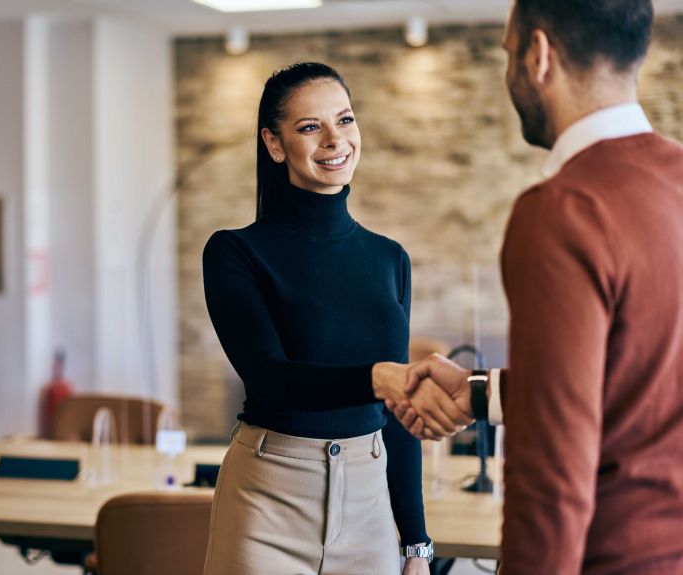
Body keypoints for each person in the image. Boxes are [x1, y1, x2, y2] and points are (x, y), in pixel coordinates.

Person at [388, 0, 683, 573]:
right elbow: (635, 380)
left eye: (507, 54)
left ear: (539, 55)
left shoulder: (562, 211)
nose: (508, 74)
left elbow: (552, 474)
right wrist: (480, 393)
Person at [202, 62, 432, 575]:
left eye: (345, 120)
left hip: (369, 505)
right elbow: (270, 379)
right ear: (274, 143)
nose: (335, 140)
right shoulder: (234, 252)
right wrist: (381, 379)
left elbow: (396, 412)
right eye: (310, 127)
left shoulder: (389, 258)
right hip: (269, 501)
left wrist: (415, 543)